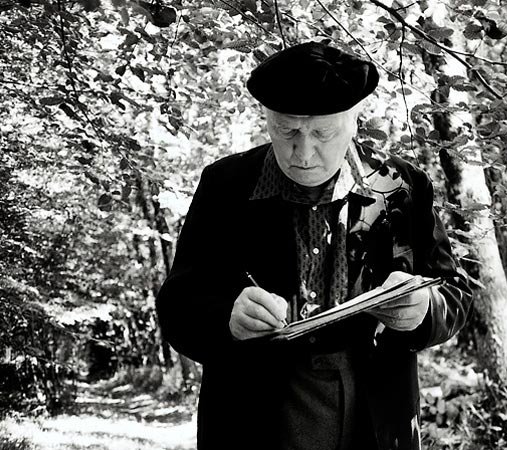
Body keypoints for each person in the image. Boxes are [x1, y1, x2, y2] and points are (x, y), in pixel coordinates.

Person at [157, 41, 472, 450]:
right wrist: (226, 318)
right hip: (254, 420)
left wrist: (425, 309)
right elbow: (177, 306)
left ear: (354, 121)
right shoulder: (225, 186)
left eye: (323, 133)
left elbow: (455, 292)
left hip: (377, 423)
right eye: (287, 131)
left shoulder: (401, 188)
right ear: (267, 119)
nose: (303, 154)